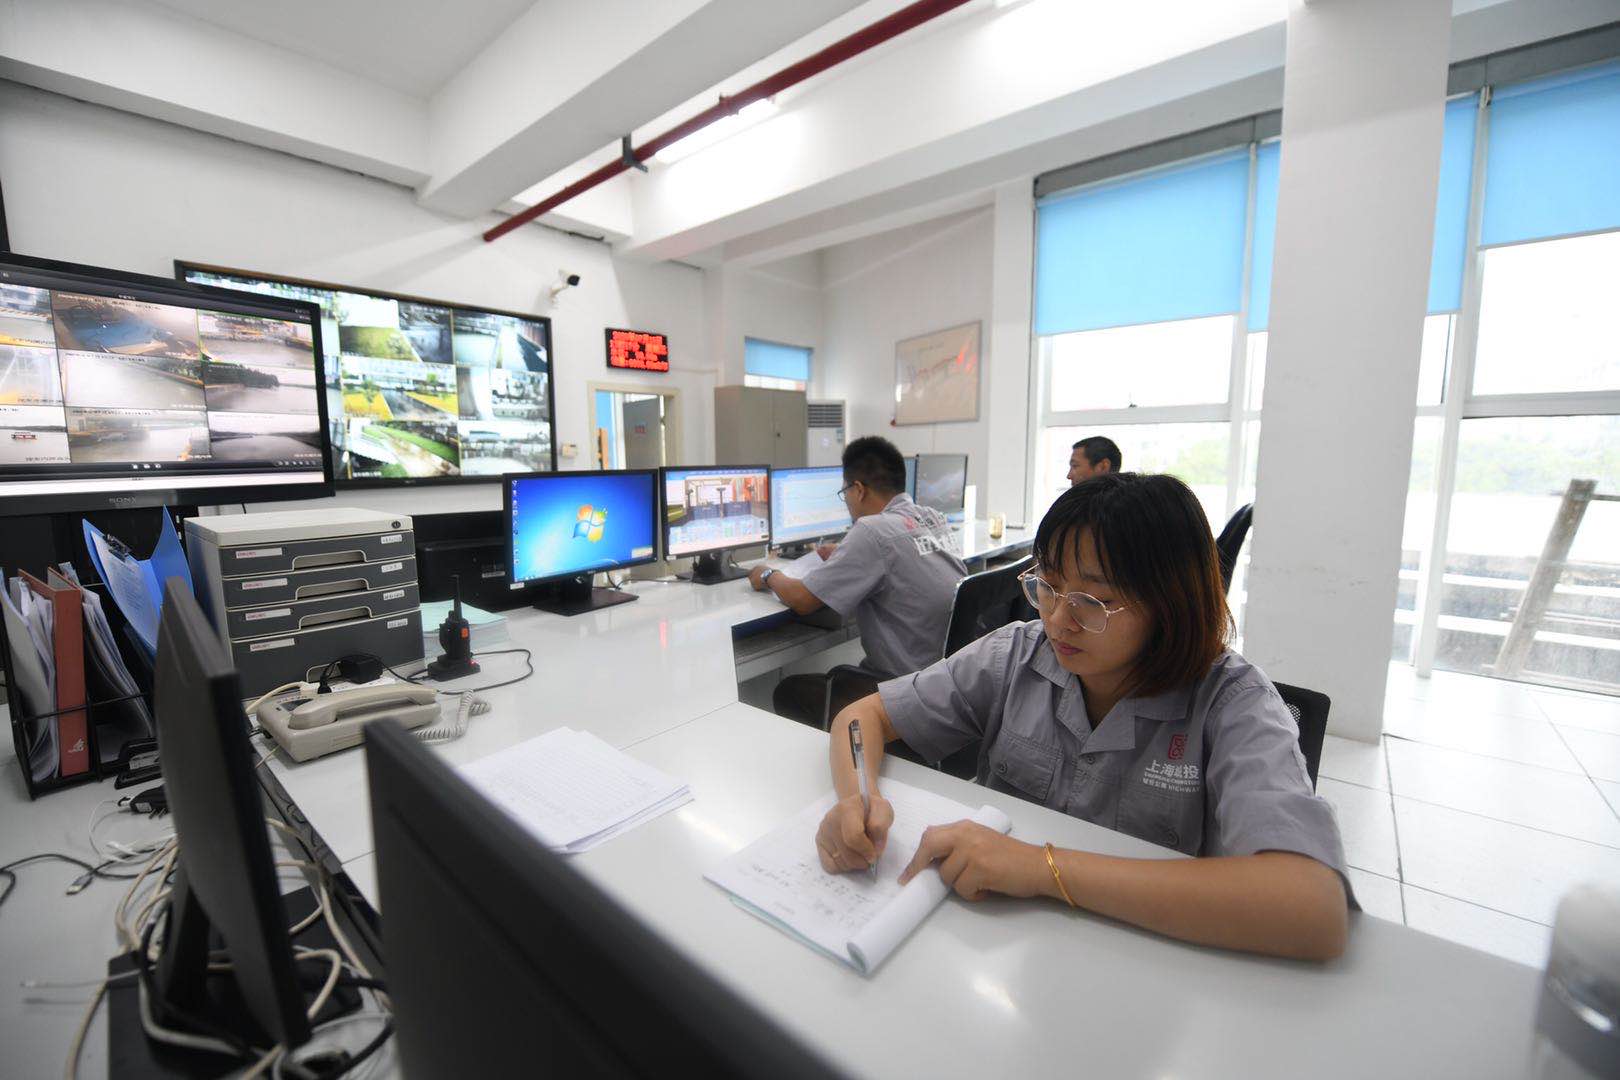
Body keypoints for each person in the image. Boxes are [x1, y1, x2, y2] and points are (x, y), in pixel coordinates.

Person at [815, 473, 1351, 961]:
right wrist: (857, 797)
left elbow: (1313, 906)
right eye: (1047, 587)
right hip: (999, 944)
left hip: (1145, 957)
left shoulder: (1232, 702)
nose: (1058, 620)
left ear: (1170, 605)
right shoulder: (1018, 653)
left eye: (1094, 601)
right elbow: (864, 717)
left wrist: (1040, 867)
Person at [750, 436, 968, 727]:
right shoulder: (933, 517)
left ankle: (858, 750)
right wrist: (846, 555)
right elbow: (901, 558)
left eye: (845, 493)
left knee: (789, 691)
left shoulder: (871, 531)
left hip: (906, 694)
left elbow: (802, 600)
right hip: (948, 684)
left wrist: (768, 575)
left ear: (859, 489)